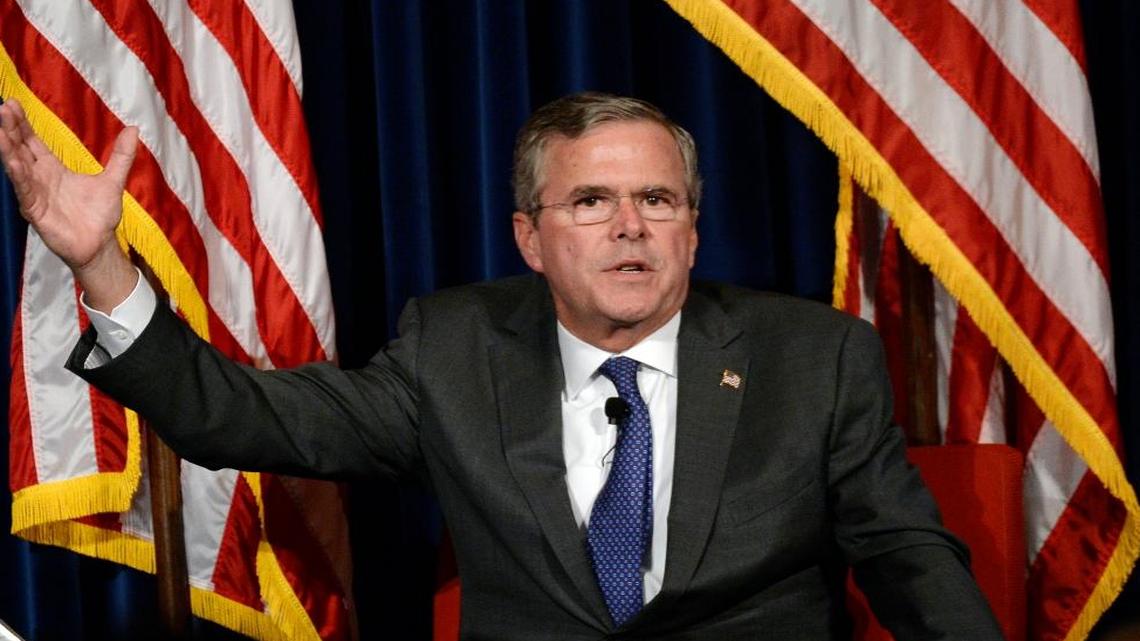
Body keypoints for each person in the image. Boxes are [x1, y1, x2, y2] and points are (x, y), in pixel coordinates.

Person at [0, 92, 1002, 639]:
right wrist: (100, 261)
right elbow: (239, 418)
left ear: (694, 230)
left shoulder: (812, 356)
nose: (628, 228)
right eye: (590, 203)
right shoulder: (457, 348)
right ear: (530, 236)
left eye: (658, 200)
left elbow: (909, 554)